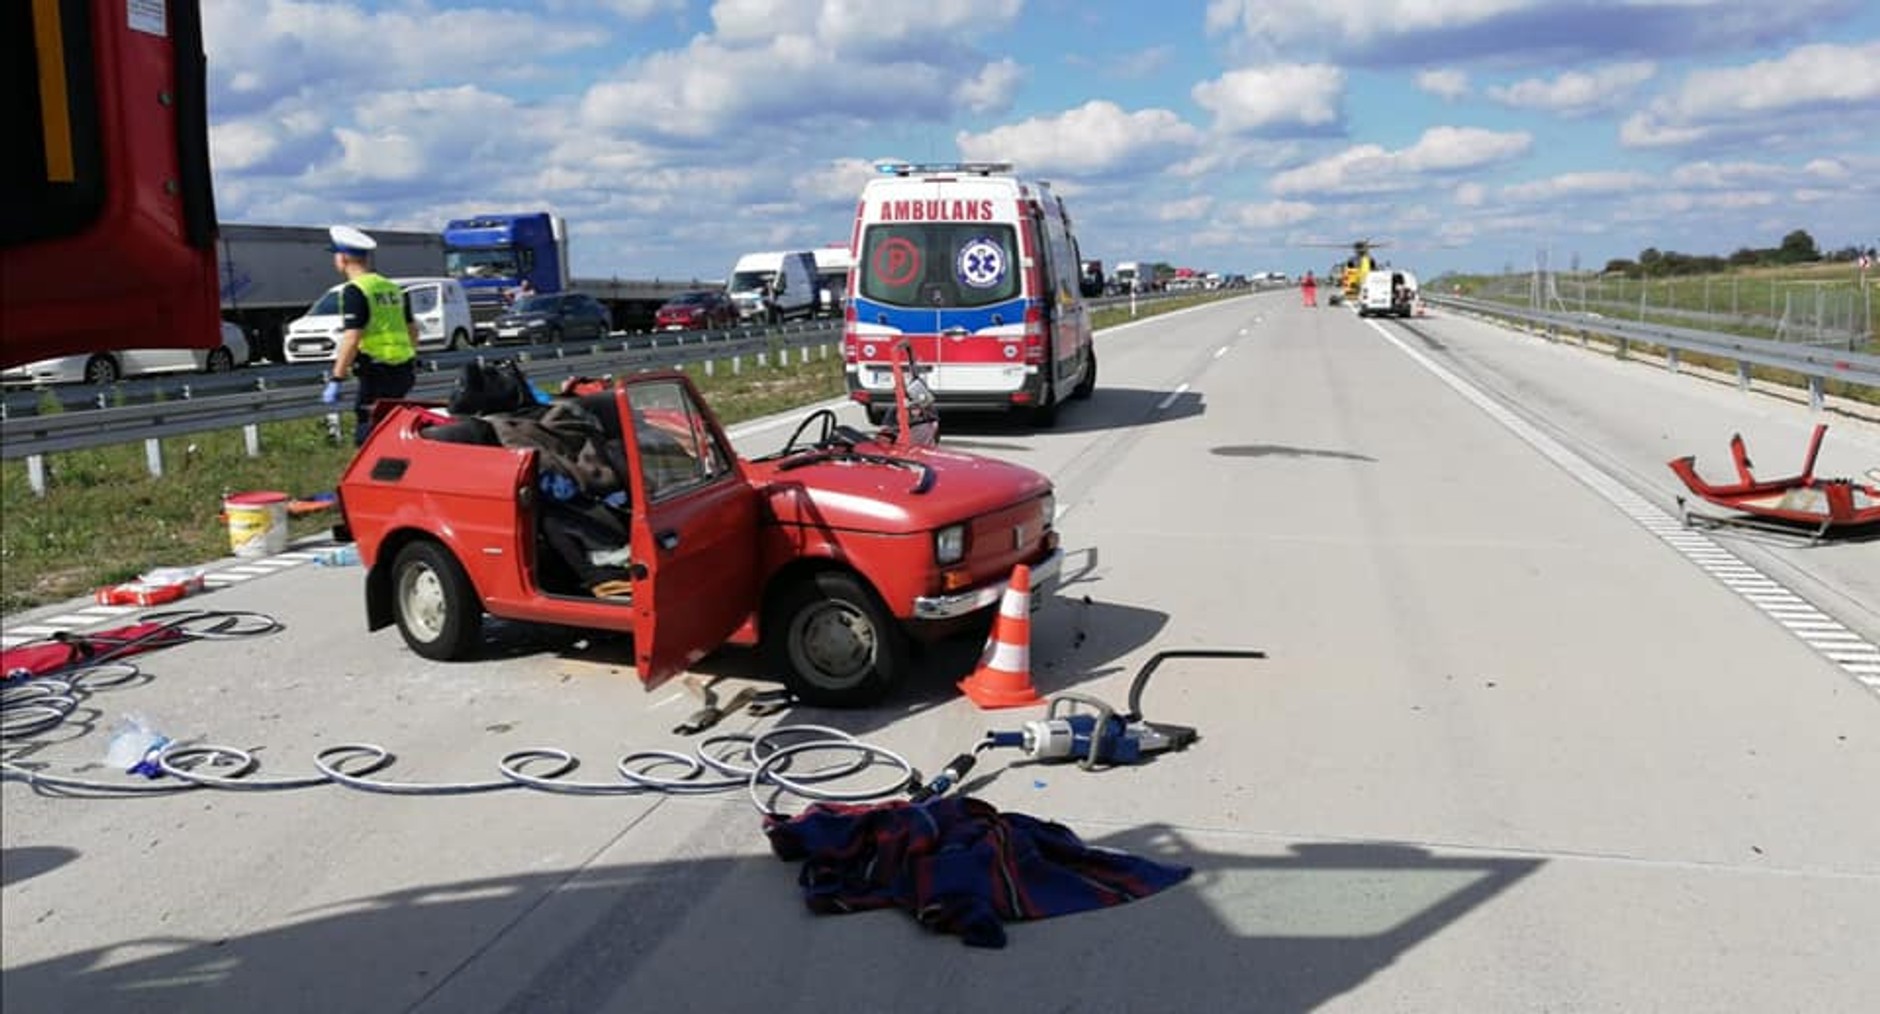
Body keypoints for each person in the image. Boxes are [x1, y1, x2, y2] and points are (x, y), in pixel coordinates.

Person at [320, 225, 419, 446]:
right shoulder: (392, 288)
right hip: (402, 370)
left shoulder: (355, 290)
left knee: (368, 433)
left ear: (343, 257)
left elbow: (352, 338)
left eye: (335, 254)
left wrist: (336, 378)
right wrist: (409, 357)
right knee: (394, 428)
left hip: (376, 371)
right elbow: (413, 330)